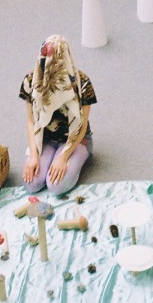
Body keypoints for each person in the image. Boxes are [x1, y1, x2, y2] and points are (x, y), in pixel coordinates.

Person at [19, 35, 96, 197]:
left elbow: (82, 126)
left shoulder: (83, 83)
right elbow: (31, 121)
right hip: (45, 139)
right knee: (31, 184)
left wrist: (63, 157)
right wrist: (33, 155)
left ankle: (74, 158)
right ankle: (49, 156)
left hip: (76, 140)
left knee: (56, 186)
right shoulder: (31, 81)